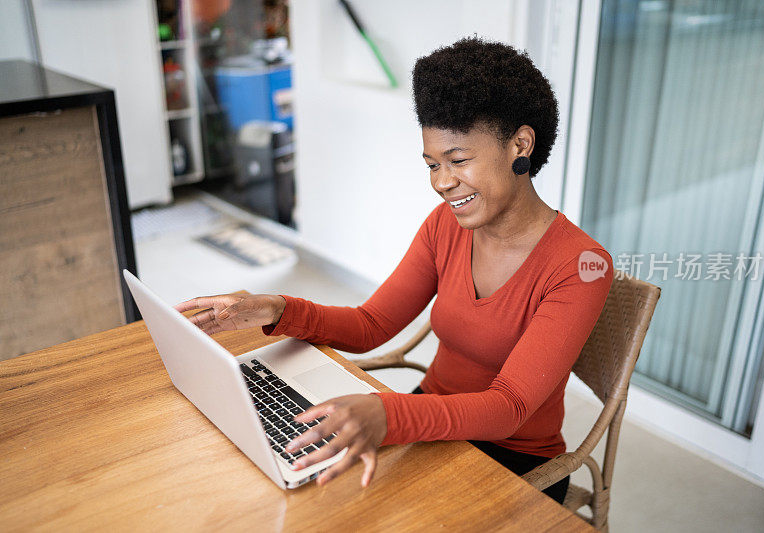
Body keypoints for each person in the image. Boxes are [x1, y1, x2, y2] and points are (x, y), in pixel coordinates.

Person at [175, 37, 613, 504]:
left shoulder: (581, 267)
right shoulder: (446, 225)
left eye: (459, 160)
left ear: (520, 145)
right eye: (432, 164)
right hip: (433, 424)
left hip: (515, 461)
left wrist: (387, 415)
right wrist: (278, 309)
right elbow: (371, 325)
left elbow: (510, 408)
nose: (443, 183)